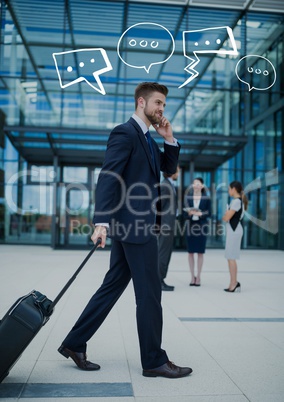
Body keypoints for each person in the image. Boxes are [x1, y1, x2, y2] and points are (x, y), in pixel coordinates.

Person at [58, 82, 192, 379]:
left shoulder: (148, 139)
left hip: (134, 226)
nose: (161, 109)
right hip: (135, 227)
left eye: (164, 105)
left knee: (111, 287)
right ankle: (154, 360)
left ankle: (74, 342)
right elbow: (109, 176)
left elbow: (168, 169)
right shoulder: (125, 132)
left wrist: (169, 138)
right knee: (149, 294)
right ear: (141, 102)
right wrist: (101, 222)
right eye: (158, 103)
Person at [184, 177, 211, 286]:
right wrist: (189, 213)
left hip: (201, 226)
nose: (196, 185)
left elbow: (209, 213)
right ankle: (192, 277)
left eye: (198, 184)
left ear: (202, 186)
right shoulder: (188, 197)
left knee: (200, 252)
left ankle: (198, 277)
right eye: (194, 184)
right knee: (190, 252)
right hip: (190, 226)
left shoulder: (206, 198)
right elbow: (184, 214)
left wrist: (201, 214)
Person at [222, 180, 248, 293]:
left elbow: (226, 218)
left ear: (234, 189)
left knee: (231, 257)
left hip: (234, 230)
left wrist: (226, 213)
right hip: (233, 230)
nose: (228, 191)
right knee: (230, 257)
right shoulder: (236, 201)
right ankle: (233, 283)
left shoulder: (236, 202)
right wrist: (227, 214)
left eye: (229, 188)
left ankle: (234, 283)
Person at [158, 167, 179, 291]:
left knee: (166, 253)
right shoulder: (165, 185)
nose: (179, 173)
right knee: (163, 253)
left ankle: (160, 279)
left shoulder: (169, 184)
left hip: (168, 223)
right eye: (178, 170)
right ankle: (159, 281)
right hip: (165, 225)